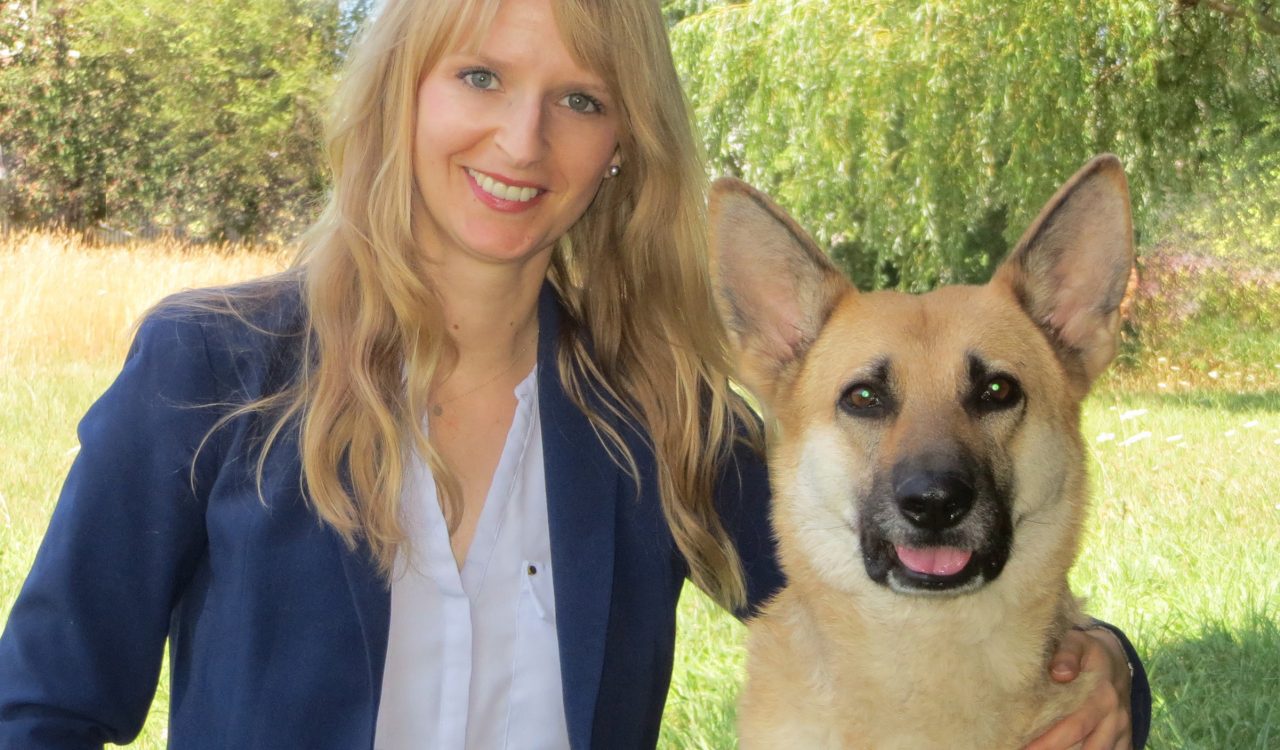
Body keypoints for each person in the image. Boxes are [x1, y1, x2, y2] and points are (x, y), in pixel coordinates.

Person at [0, 0, 1149, 748]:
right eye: (481, 78)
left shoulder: (658, 417)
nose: (521, 140)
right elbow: (39, 707)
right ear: (402, 91)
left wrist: (1103, 669)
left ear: (618, 153)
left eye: (580, 101)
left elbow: (908, 568)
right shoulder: (207, 369)